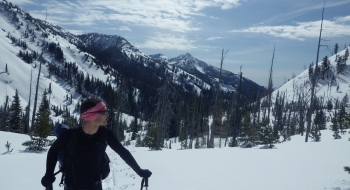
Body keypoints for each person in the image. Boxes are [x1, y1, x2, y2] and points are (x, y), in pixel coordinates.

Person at [41, 98, 152, 190]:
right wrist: (49, 175)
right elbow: (53, 151)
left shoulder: (105, 134)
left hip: (95, 186)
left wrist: (139, 170)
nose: (107, 115)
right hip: (72, 187)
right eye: (103, 112)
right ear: (91, 115)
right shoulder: (69, 135)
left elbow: (122, 151)